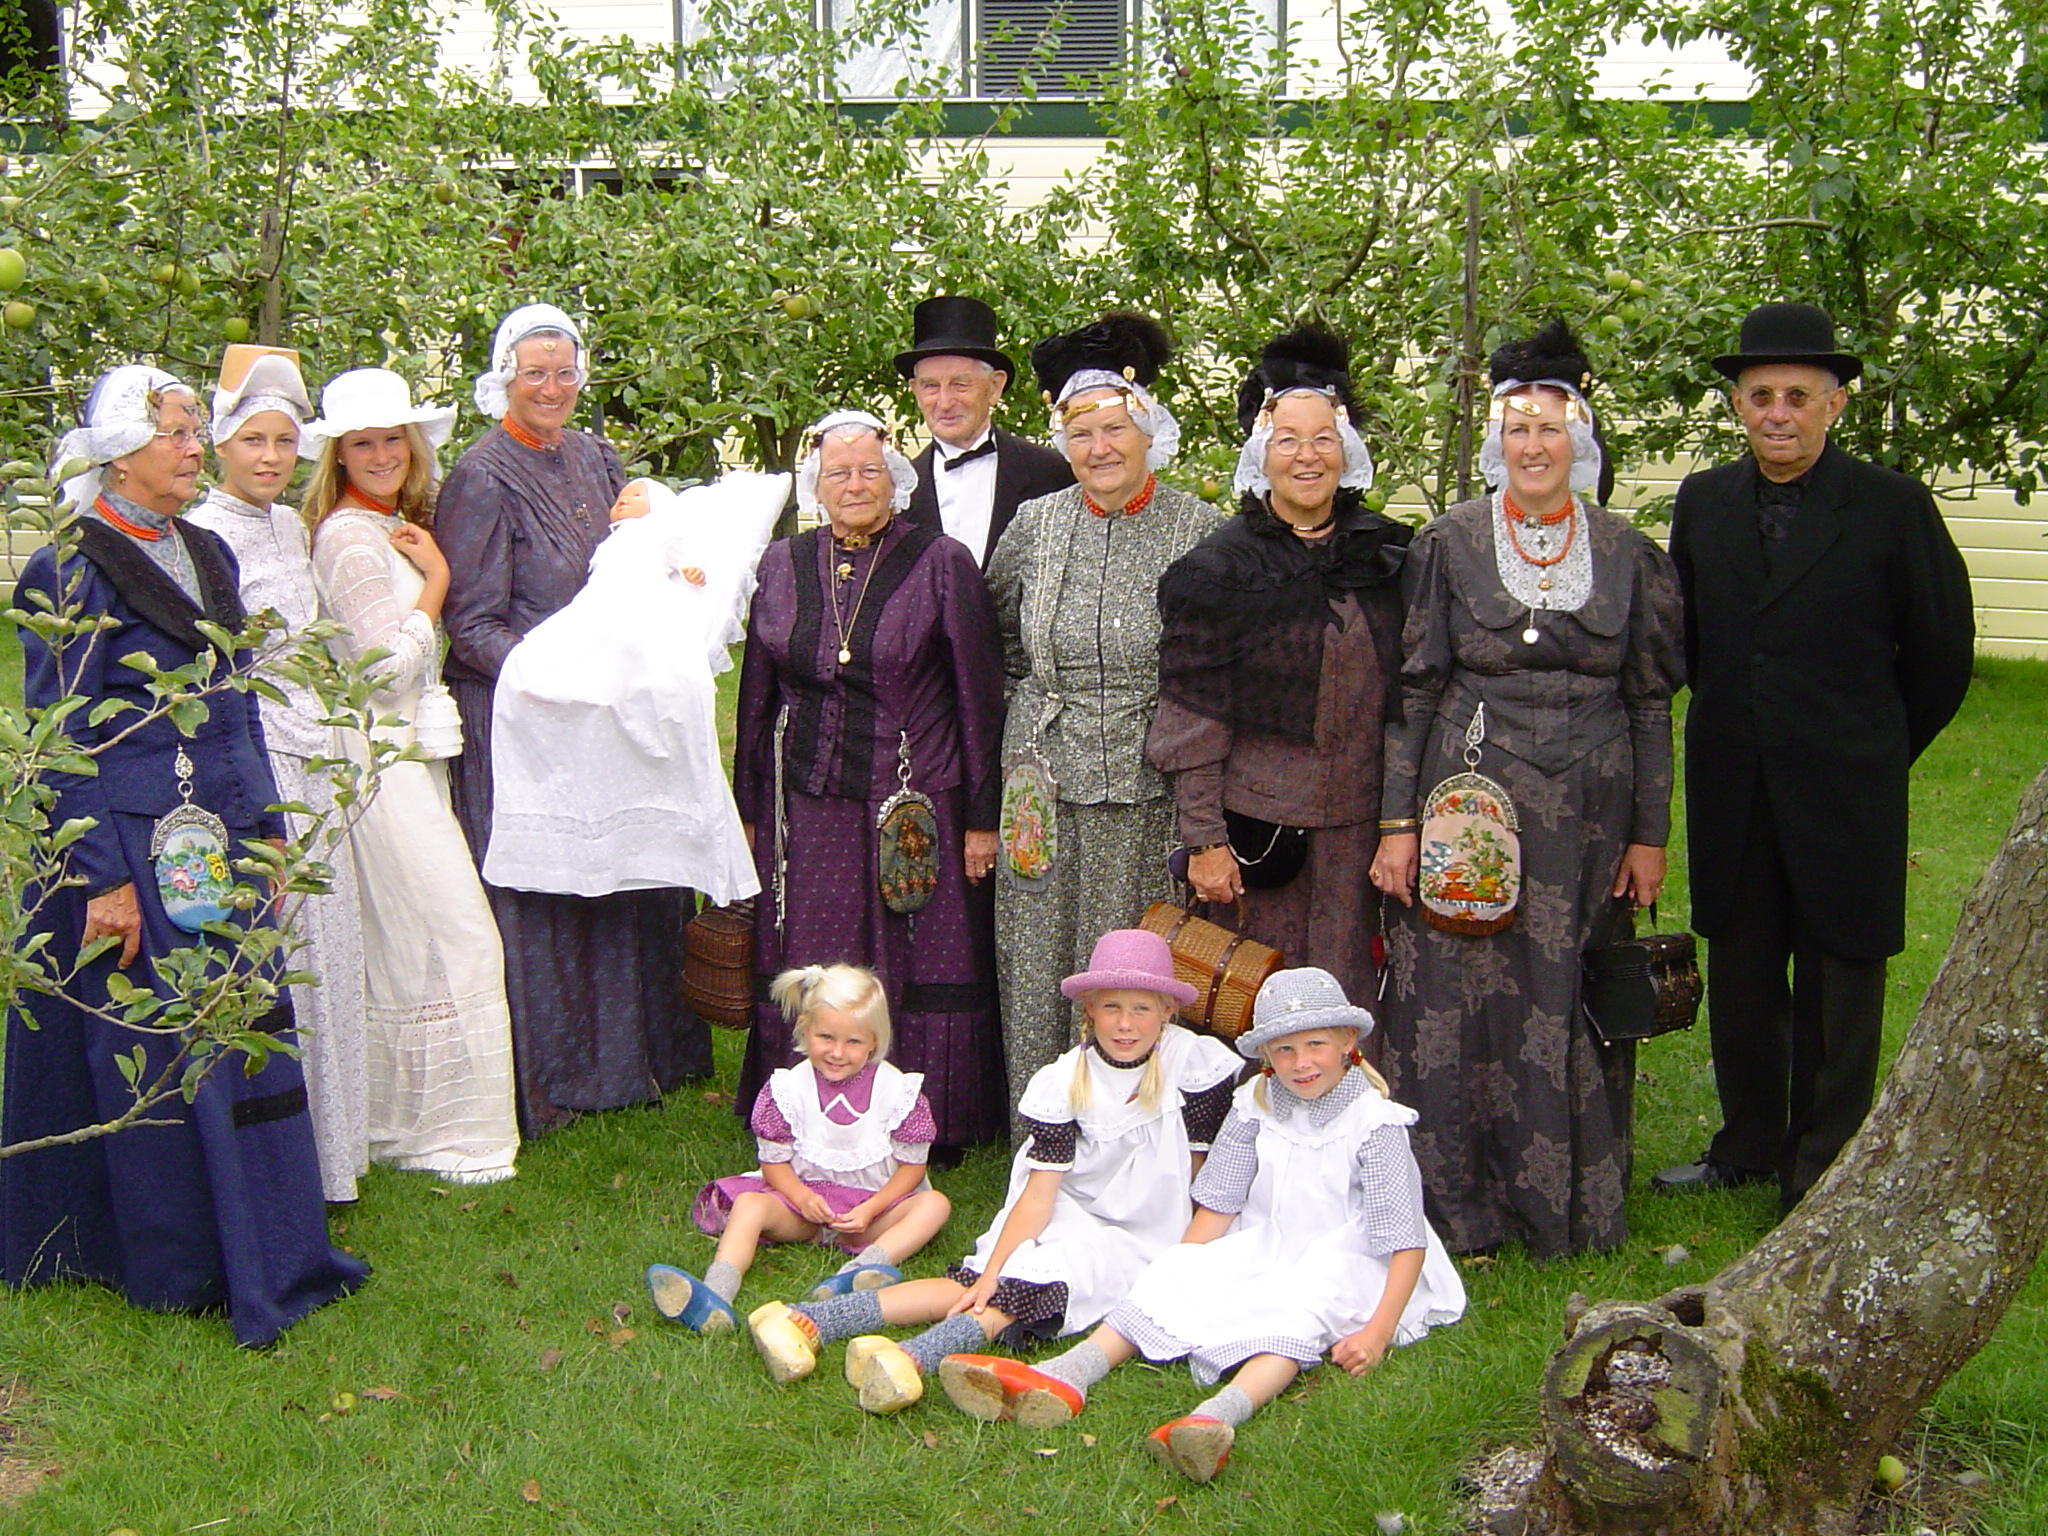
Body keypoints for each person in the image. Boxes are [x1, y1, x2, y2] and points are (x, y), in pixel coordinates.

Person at [3, 365, 367, 1345]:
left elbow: (239, 698)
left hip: (218, 832)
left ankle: (274, 1243)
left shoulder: (203, 549)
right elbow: (62, 735)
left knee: (242, 1025)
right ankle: (179, 1261)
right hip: (128, 843)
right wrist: (103, 883)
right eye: (176, 433)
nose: (192, 447)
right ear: (123, 450)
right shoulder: (68, 568)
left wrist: (270, 827)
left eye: (191, 430)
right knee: (157, 1044)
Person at [1370, 320, 1683, 1259]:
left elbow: (1652, 701)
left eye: (1551, 428)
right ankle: (1454, 1208)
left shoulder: (1630, 553)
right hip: (1468, 799)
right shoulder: (1448, 543)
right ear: (1496, 442)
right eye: (1517, 429)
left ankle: (1567, 1206)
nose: (1534, 446)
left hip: (1592, 809)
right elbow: (1415, 688)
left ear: (1579, 439)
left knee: (1569, 986)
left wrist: (1650, 833)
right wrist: (1398, 823)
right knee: (1454, 991)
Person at [1654, 302, 1975, 1212]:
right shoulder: (1704, 501)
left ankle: (1825, 1163)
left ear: (1835, 406)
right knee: (1746, 973)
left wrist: (1873, 749)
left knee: (1841, 975)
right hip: (1735, 783)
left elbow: (1944, 654)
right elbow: (1696, 643)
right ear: (1737, 407)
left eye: (1798, 395)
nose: (1778, 413)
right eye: (1760, 396)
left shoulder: (1890, 506)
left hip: (1846, 788)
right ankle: (1749, 1142)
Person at [932, 967, 1464, 1485]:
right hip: (1267, 1240)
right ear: (1267, 1058)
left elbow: (1403, 1238)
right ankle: (1068, 1373)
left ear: (1348, 1040)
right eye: (1284, 1050)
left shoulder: (1376, 1122)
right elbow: (1219, 1203)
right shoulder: (1254, 1105)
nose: (1301, 1063)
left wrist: (1375, 1331)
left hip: (1352, 1254)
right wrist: (1179, 1265)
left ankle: (1215, 1417)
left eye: (1316, 1046)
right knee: (1173, 1273)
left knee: (1303, 1307)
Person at [745, 929, 1242, 1414]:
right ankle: (810, 1319)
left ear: (1168, 1012)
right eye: (1111, 1006)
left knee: (1027, 1290)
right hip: (1070, 1208)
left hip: (1148, 1232)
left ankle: (909, 1359)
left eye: (1142, 1008)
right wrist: (1000, 1261)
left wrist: (1184, 1260)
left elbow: (1200, 1175)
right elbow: (1040, 1195)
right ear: (1088, 1008)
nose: (1125, 1023)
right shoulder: (1065, 1080)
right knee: (983, 1279)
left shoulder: (1194, 1068)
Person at [437, 303, 711, 1132]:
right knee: (552, 896)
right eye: (535, 374)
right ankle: (556, 1081)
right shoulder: (479, 477)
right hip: (528, 722)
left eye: (564, 372)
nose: (552, 388)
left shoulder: (599, 457)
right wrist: (555, 678)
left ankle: (647, 1063)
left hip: (610, 716)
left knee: (630, 875)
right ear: (503, 382)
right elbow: (471, 623)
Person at [733, 411, 1008, 1152]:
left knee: (922, 955)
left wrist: (984, 817)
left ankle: (927, 1120)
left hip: (917, 805)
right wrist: (749, 808)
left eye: (869, 471)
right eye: (837, 473)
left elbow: (980, 697)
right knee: (818, 953)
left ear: (895, 481)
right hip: (809, 802)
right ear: (814, 487)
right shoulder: (781, 565)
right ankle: (807, 1116)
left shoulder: (942, 561)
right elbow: (755, 697)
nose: (854, 484)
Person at [989, 311, 1227, 1102]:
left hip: (1144, 781)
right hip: (1040, 786)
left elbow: (1216, 674)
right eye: (1081, 432)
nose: (1100, 448)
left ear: (1149, 431)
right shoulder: (1035, 524)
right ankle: (1044, 1136)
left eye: (1116, 428)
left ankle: (1140, 1138)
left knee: (1129, 964)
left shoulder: (1198, 530)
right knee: (1036, 957)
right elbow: (1001, 638)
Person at [302, 367, 520, 1184]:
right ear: (340, 456)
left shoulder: (389, 523)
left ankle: (404, 1125)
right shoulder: (349, 539)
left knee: (411, 940)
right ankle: (452, 1137)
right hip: (377, 760)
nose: (383, 452)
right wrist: (436, 584)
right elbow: (384, 670)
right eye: (364, 441)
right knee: (456, 932)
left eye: (394, 437)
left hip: (407, 758)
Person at [1150, 326, 1410, 1007]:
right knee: (1254, 1002)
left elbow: (1413, 701)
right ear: (1260, 453)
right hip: (1258, 841)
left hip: (1362, 832)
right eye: (1288, 439)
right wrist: (1205, 841)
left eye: (1322, 438)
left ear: (1346, 450)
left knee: (1354, 1002)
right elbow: (1192, 720)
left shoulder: (1387, 557)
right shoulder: (1219, 570)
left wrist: (1400, 826)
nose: (1307, 456)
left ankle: (1357, 1115)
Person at [186, 345, 371, 1205]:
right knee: (281, 954)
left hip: (315, 753)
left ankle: (329, 1159)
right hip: (261, 762)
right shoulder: (207, 537)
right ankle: (274, 1160)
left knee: (325, 961)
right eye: (253, 439)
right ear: (220, 445)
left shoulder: (290, 526)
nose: (269, 457)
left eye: (284, 440)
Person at [481, 472, 787, 905]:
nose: (624, 502)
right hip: (600, 605)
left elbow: (676, 554)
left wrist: (690, 568)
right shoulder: (610, 542)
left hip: (638, 605)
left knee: (633, 651)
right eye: (621, 497)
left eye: (635, 496)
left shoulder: (655, 533)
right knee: (547, 657)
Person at [646, 964, 951, 1333]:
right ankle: (716, 1294)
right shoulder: (787, 1091)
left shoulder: (898, 1092)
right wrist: (802, 1198)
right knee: (750, 1205)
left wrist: (871, 1209)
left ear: (874, 1040)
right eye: (826, 1037)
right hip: (803, 1209)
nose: (838, 1052)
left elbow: (911, 1169)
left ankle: (860, 1272)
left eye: (853, 1041)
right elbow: (774, 1165)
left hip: (871, 1212)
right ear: (805, 1029)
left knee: (935, 1205)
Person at [895, 295, 1073, 570]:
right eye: (931, 386)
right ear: (915, 391)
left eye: (960, 384)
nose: (944, 402)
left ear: (994, 387)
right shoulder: (896, 492)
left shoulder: (1054, 473)